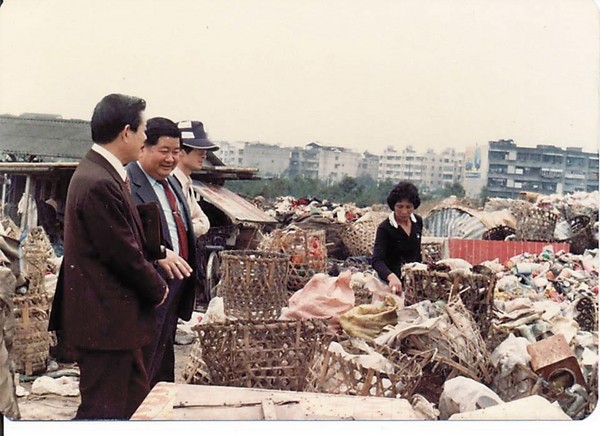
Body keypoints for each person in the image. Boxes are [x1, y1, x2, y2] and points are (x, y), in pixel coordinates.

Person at [47, 93, 169, 420]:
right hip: (105, 324)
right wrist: (158, 289)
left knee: (128, 408)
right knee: (101, 414)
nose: (146, 138)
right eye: (143, 130)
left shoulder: (103, 173)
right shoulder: (99, 181)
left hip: (113, 325)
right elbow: (122, 253)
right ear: (126, 132)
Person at [126, 117, 196, 388]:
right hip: (148, 287)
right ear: (144, 147)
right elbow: (125, 238)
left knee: (161, 359)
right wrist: (159, 254)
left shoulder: (173, 183)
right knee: (142, 360)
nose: (171, 158)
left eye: (176, 151)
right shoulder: (128, 183)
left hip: (176, 284)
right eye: (164, 151)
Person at [371, 181, 423, 295]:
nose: (404, 212)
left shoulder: (418, 222)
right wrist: (391, 277)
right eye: (400, 207)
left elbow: (417, 253)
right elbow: (376, 260)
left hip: (412, 283)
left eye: (408, 207)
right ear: (393, 206)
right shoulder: (385, 228)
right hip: (390, 284)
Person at [171, 120, 218, 238]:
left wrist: (189, 226)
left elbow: (204, 220)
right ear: (181, 151)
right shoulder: (169, 183)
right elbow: (175, 227)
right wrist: (191, 226)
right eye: (198, 150)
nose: (204, 155)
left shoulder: (187, 184)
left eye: (205, 151)